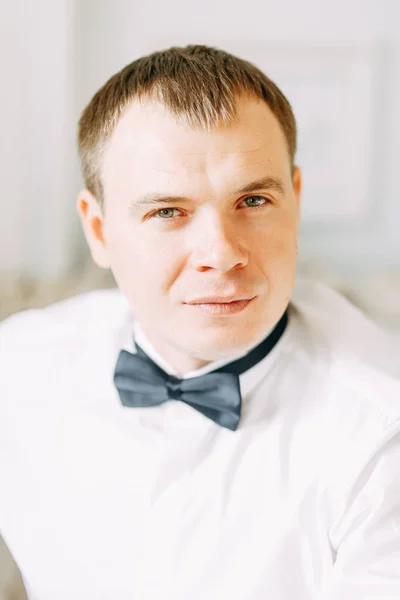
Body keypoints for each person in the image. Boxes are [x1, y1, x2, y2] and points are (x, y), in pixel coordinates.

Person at [1, 44, 400, 600]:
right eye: (168, 211)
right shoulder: (17, 367)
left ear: (296, 201)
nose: (221, 253)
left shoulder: (382, 439)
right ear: (98, 230)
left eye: (254, 200)